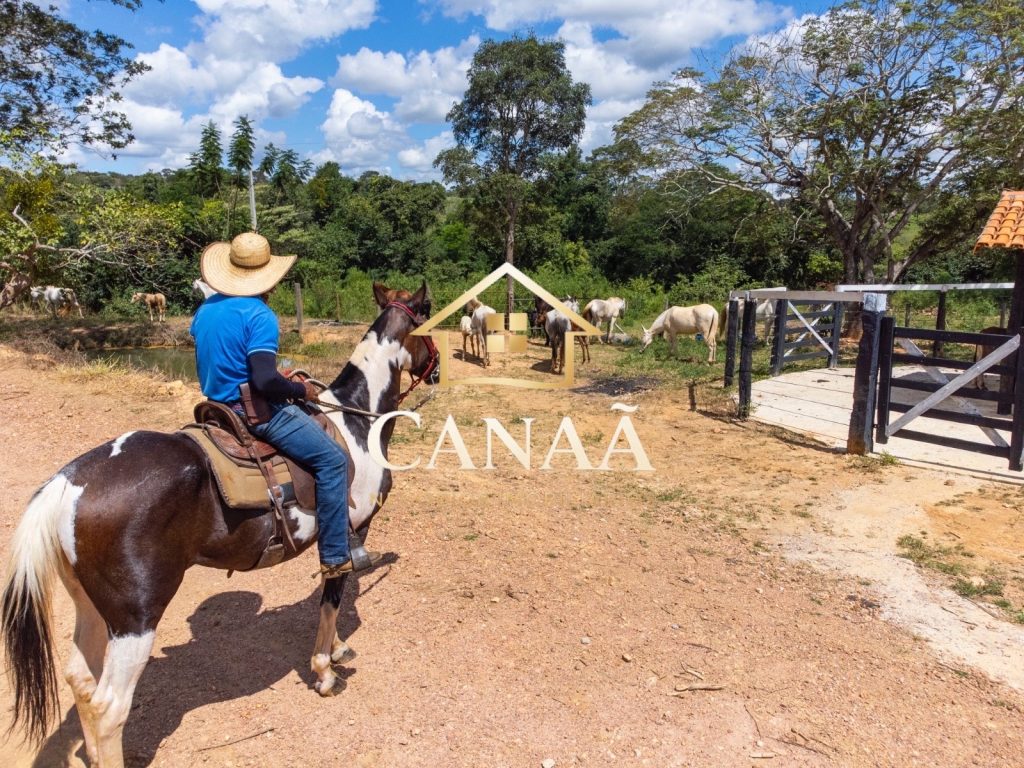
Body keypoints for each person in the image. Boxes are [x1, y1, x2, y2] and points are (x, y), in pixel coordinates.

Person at [191, 231, 377, 578]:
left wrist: (275, 374)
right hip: (253, 413)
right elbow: (263, 382)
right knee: (332, 459)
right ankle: (336, 556)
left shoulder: (206, 310)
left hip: (215, 408)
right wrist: (298, 389)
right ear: (269, 280)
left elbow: (230, 362)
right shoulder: (259, 315)